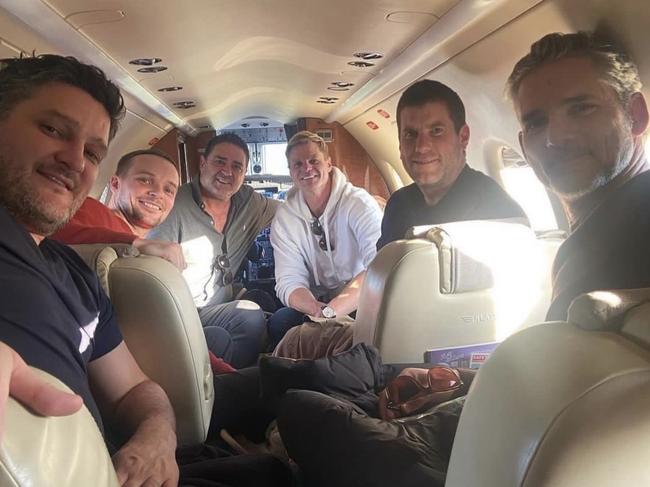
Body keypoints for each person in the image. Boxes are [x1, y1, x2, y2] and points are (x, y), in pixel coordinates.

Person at [0, 53, 291, 487]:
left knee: (274, 469)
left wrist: (158, 434)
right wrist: (135, 242)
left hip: (116, 464)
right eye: (52, 130)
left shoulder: (74, 276)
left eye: (93, 152)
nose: (75, 161)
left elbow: (136, 390)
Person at [507, 31, 650, 321]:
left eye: (582, 108)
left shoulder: (635, 236)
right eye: (536, 123)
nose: (555, 137)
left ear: (635, 115)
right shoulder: (591, 239)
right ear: (523, 147)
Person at [148, 133, 280, 368]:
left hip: (222, 304)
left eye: (236, 166)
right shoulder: (175, 205)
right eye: (220, 161)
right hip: (182, 310)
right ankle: (239, 382)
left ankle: (236, 379)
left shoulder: (249, 202)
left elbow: (293, 209)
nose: (227, 171)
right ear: (202, 163)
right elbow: (152, 271)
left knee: (265, 308)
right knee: (249, 315)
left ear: (244, 173)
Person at [377, 79, 526, 250]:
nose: (421, 146)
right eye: (410, 134)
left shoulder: (500, 215)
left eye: (436, 131)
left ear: (463, 137)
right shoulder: (397, 206)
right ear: (400, 145)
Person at [268, 131, 382, 348]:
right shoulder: (285, 218)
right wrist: (316, 310)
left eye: (313, 161)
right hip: (316, 304)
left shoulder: (359, 204)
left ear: (329, 164)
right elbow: (289, 280)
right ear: (291, 172)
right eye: (298, 164)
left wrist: (332, 312)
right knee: (279, 323)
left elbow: (378, 268)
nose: (307, 169)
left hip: (361, 300)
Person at [52, 149, 186, 270]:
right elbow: (52, 230)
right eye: (145, 180)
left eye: (168, 190)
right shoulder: (89, 207)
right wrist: (136, 244)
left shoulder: (153, 252)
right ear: (115, 184)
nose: (158, 193)